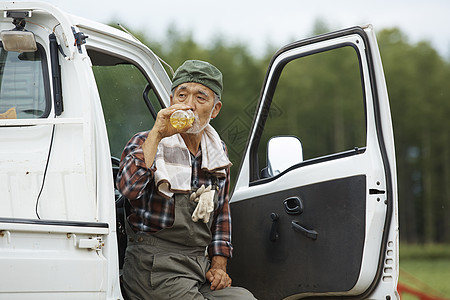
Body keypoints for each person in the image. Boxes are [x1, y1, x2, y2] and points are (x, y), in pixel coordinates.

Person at [116, 60, 256, 300]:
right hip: (154, 266)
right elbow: (129, 189)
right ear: (172, 102)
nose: (189, 105)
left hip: (197, 266)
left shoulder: (217, 151)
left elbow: (221, 212)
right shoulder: (145, 142)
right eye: (182, 96)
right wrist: (158, 134)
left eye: (201, 98)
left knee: (244, 297)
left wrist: (219, 265)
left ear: (215, 109)